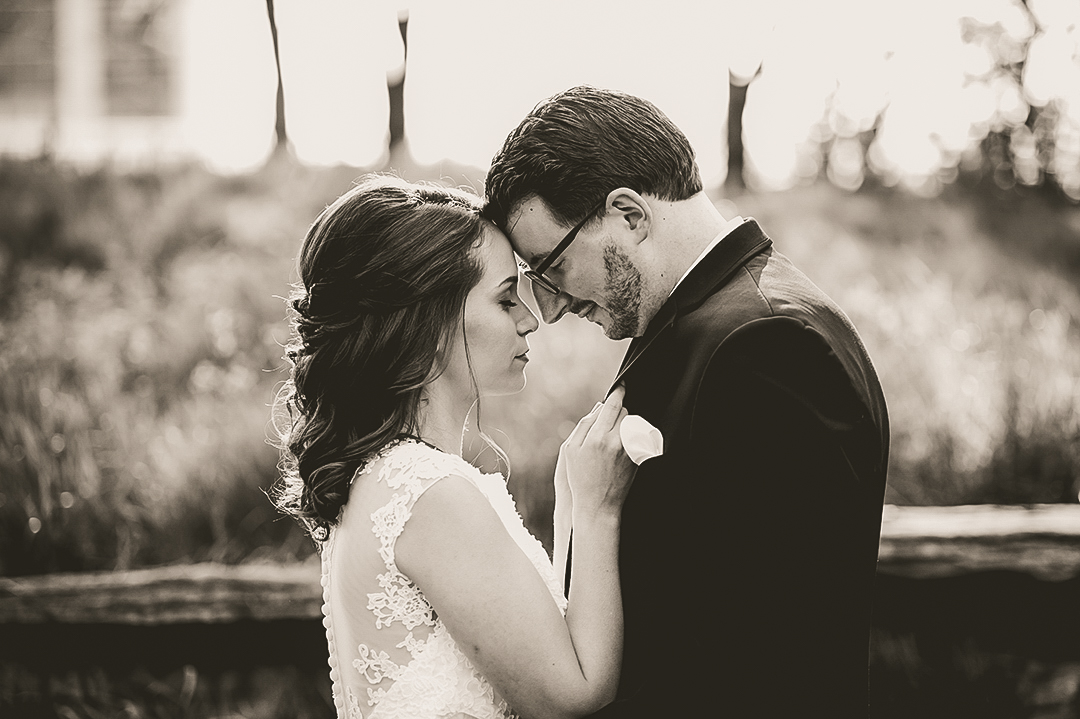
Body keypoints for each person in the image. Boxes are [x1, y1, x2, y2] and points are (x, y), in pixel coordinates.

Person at [483, 86, 891, 718]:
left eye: (552, 269)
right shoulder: (705, 323)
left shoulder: (764, 346)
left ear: (629, 215)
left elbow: (768, 655)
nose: (552, 306)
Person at [272, 175, 638, 719]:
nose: (529, 319)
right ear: (431, 320)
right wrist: (598, 509)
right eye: (505, 298)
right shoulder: (429, 494)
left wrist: (570, 498)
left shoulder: (387, 478)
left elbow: (549, 636)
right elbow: (573, 695)